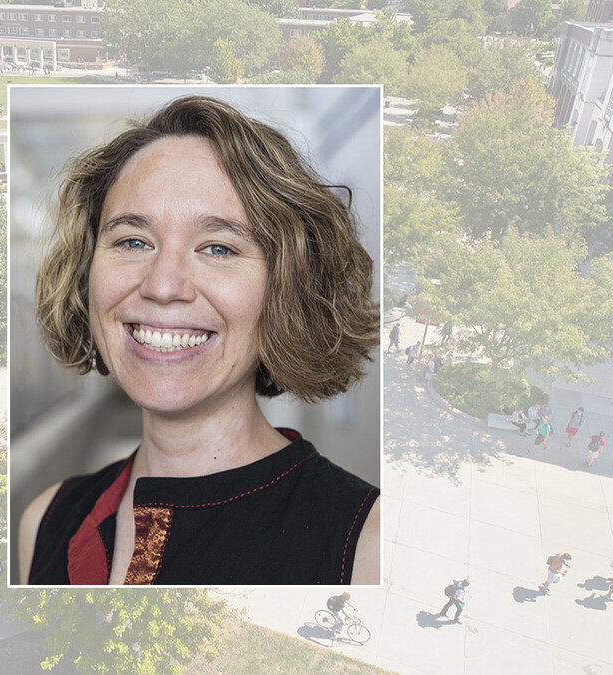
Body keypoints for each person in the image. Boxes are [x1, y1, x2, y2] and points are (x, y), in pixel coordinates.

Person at [19, 96, 380, 585]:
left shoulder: (364, 546)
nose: (163, 285)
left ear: (287, 289)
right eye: (133, 241)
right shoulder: (44, 522)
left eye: (218, 247)